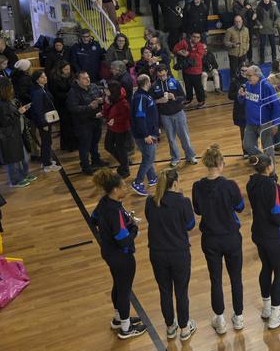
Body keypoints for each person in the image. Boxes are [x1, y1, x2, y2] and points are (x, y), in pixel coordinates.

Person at [192, 144, 246, 334]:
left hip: (210, 239)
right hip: (231, 237)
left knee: (216, 280)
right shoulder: (230, 185)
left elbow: (197, 210)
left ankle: (220, 320)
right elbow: (240, 207)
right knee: (235, 278)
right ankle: (238, 318)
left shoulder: (197, 186)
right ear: (221, 164)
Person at [89, 169, 146, 339]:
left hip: (108, 252)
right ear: (115, 189)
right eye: (123, 186)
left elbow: (93, 219)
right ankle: (126, 328)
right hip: (121, 255)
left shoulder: (104, 202)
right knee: (124, 290)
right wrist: (134, 229)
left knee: (118, 284)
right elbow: (124, 239)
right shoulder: (114, 211)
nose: (126, 188)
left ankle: (118, 318)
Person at [146, 168, 197, 341]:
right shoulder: (183, 202)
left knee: (165, 291)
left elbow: (149, 218)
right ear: (175, 183)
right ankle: (184, 328)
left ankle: (170, 327)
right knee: (181, 292)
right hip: (179, 254)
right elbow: (190, 224)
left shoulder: (150, 202)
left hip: (157, 254)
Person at [247, 154, 280, 329]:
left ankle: (267, 308)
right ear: (269, 167)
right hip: (274, 236)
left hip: (258, 234)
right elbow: (276, 216)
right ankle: (275, 316)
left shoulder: (251, 183)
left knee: (266, 267)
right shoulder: (274, 187)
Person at [152, 65, 197, 167]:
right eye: (160, 76)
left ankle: (190, 156)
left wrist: (174, 97)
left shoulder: (175, 82)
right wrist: (159, 101)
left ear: (167, 72)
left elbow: (183, 97)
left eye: (163, 74)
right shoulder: (154, 86)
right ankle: (175, 158)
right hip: (165, 116)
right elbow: (151, 101)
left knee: (184, 136)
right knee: (171, 139)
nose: (162, 77)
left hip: (178, 113)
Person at [0, 79, 32, 188]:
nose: (12, 89)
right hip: (8, 136)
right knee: (13, 160)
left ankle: (23, 175)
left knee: (21, 157)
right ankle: (15, 181)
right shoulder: (0, 105)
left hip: (14, 134)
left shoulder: (6, 102)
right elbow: (5, 122)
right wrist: (18, 112)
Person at [240, 65, 280, 164]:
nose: (248, 78)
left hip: (264, 124)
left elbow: (276, 107)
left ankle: (271, 173)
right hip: (250, 123)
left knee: (268, 149)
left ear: (257, 75)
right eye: (246, 76)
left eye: (249, 76)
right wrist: (241, 96)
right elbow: (243, 101)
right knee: (248, 145)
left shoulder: (266, 87)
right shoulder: (248, 85)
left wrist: (275, 123)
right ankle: (264, 160)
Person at [68, 70, 105, 174]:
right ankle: (85, 166)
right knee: (85, 146)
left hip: (96, 119)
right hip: (83, 123)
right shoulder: (73, 92)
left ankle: (96, 160)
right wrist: (88, 107)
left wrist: (101, 100)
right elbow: (73, 108)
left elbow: (100, 97)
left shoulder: (93, 86)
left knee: (95, 143)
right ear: (78, 80)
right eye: (84, 78)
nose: (87, 79)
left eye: (88, 77)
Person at [129, 74, 159, 196]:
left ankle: (152, 178)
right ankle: (138, 182)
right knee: (149, 158)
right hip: (144, 135)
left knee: (148, 156)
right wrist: (146, 134)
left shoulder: (143, 95)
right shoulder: (141, 97)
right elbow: (140, 118)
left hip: (148, 132)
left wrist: (156, 129)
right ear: (147, 82)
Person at [28, 70, 61, 173]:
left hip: (47, 119)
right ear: (37, 79)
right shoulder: (37, 92)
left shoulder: (42, 88)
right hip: (43, 121)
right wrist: (44, 124)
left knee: (47, 141)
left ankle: (46, 160)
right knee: (46, 142)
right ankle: (47, 164)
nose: (45, 78)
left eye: (45, 76)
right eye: (43, 77)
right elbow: (38, 110)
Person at [103, 80, 132, 179]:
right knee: (108, 146)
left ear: (112, 91)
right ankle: (125, 162)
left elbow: (127, 116)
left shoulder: (123, 102)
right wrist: (106, 104)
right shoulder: (109, 99)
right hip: (111, 127)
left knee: (121, 148)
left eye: (107, 89)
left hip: (121, 129)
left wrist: (115, 120)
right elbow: (107, 113)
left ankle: (125, 168)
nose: (105, 90)